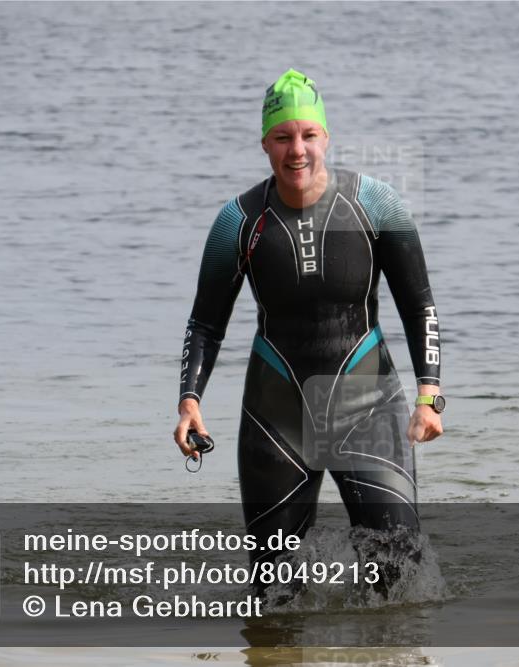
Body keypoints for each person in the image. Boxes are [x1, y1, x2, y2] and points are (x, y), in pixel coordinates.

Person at [173, 68, 444, 586]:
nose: (296, 150)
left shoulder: (378, 206)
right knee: (273, 592)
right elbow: (205, 324)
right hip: (276, 414)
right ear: (264, 144)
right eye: (283, 137)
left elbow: (420, 306)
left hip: (369, 405)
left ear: (326, 137)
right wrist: (190, 402)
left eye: (308, 135)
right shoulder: (238, 221)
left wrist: (430, 394)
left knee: (403, 577)